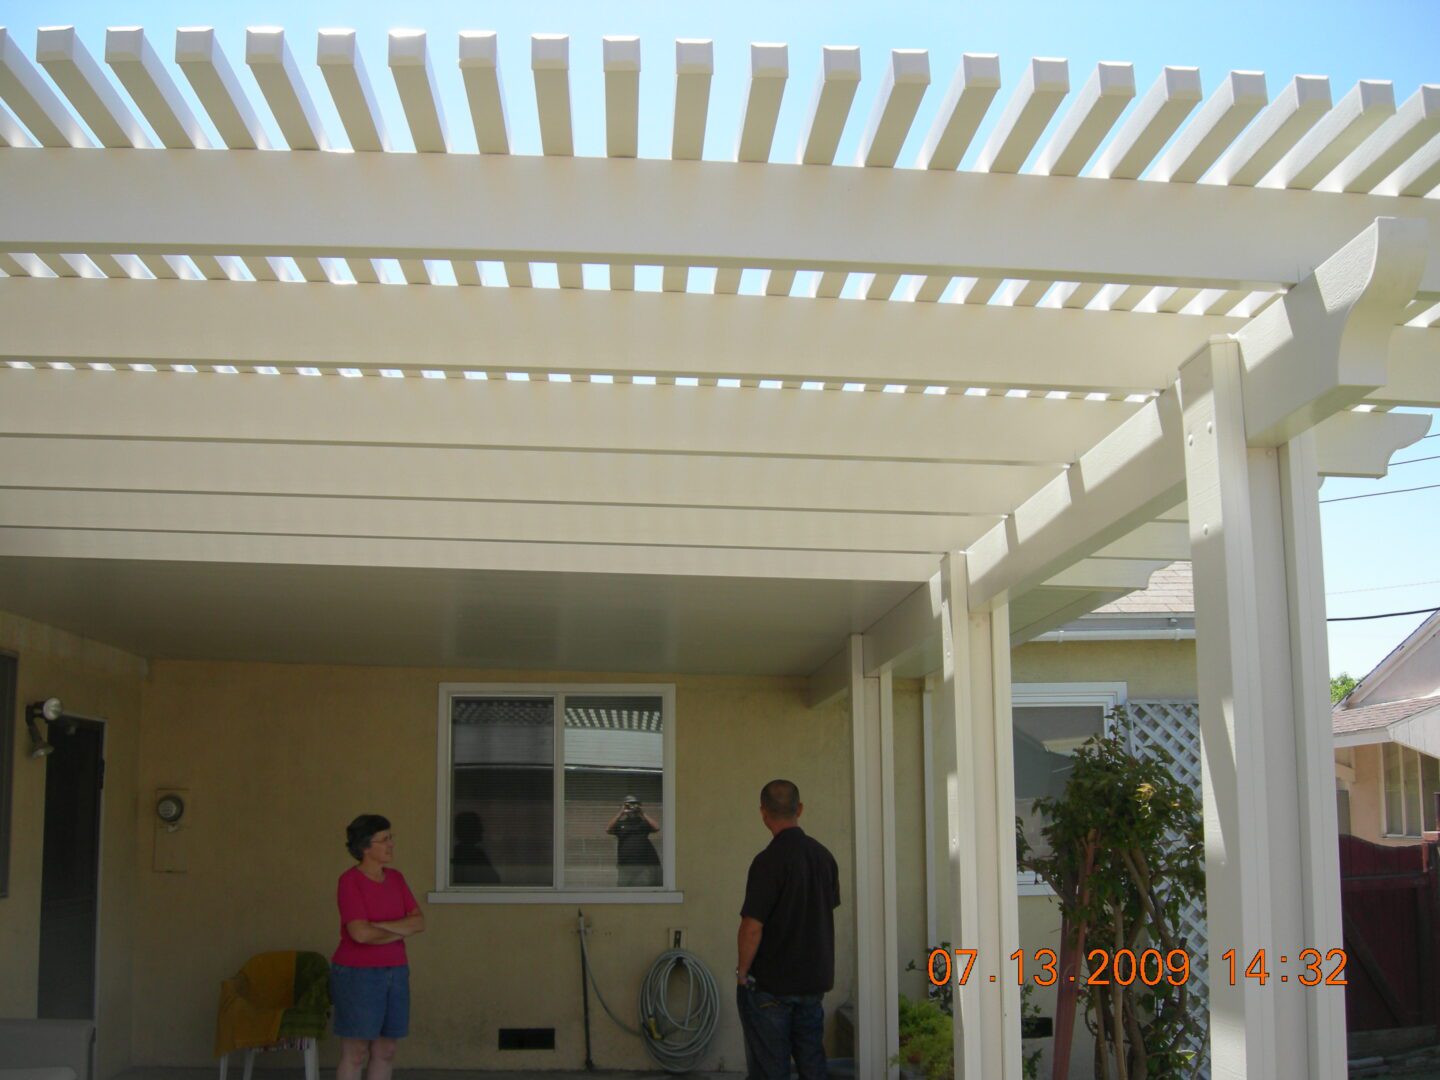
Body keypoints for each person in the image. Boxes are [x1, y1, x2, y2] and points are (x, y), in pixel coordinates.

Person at [736, 780, 840, 1080]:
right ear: (800, 809)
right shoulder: (824, 858)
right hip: (813, 983)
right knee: (812, 1064)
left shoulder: (767, 862)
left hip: (772, 986)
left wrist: (743, 974)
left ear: (763, 813)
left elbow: (752, 927)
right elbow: (822, 912)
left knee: (771, 1069)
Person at [331, 815, 425, 1080]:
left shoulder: (396, 878)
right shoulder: (350, 881)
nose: (391, 844)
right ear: (365, 847)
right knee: (356, 1051)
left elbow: (419, 922)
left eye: (390, 838)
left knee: (386, 1049)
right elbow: (359, 934)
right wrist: (399, 929)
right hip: (357, 974)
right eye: (384, 840)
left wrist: (379, 927)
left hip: (395, 971)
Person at [605, 794, 662, 887]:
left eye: (634, 804)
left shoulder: (643, 824)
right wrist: (621, 812)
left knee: (642, 890)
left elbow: (657, 827)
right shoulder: (621, 824)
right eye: (629, 804)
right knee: (624, 890)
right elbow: (608, 829)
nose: (632, 807)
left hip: (643, 865)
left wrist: (642, 812)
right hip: (625, 865)